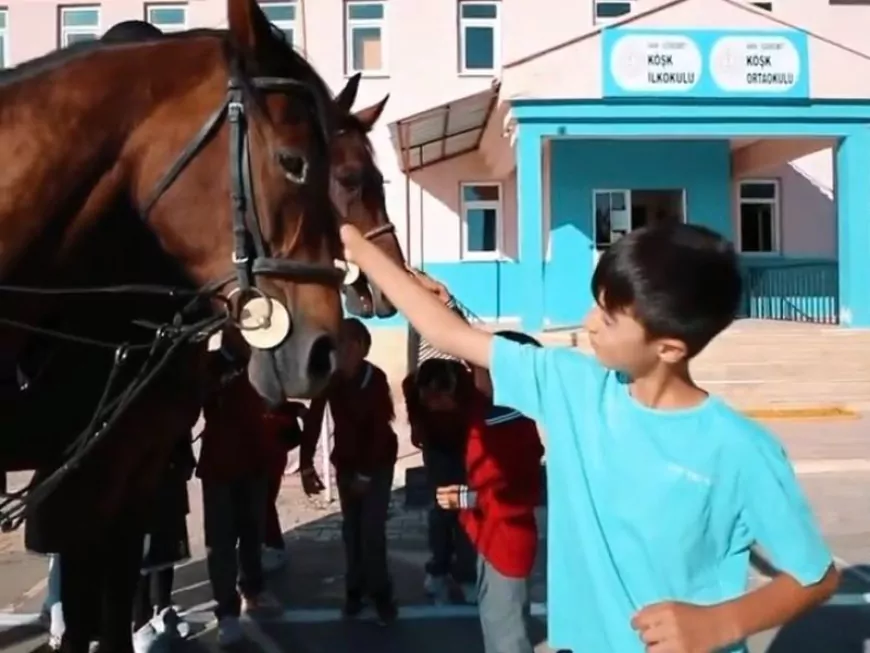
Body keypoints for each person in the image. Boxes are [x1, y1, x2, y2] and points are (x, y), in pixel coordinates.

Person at [339, 221, 839, 653]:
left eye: (608, 315)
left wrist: (721, 623)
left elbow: (816, 575)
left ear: (668, 348)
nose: (587, 323)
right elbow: (449, 335)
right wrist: (364, 251)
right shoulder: (572, 385)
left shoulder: (739, 449)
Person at [435, 330, 544, 653]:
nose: (472, 374)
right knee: (499, 622)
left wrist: (464, 498)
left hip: (506, 541)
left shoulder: (508, 424)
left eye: (480, 368)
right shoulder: (495, 410)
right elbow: (463, 342)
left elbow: (515, 490)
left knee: (505, 633)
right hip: (493, 536)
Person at [300, 318, 399, 625]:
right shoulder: (331, 379)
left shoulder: (376, 379)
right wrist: (306, 465)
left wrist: (366, 476)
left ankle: (381, 594)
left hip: (377, 464)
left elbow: (380, 432)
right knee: (351, 531)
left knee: (371, 530)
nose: (337, 350)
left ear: (359, 347)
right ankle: (354, 591)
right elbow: (314, 419)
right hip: (345, 464)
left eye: (343, 343)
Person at [197, 346, 281, 647]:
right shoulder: (212, 362)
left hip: (255, 460)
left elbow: (274, 396)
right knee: (220, 542)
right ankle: (227, 612)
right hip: (220, 463)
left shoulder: (264, 356)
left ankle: (254, 590)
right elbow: (198, 399)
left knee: (252, 531)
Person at [402, 359, 477, 604]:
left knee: (465, 511)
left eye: (438, 400)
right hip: (436, 448)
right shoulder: (412, 387)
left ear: (450, 393)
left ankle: (466, 575)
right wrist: (417, 426)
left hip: (467, 447)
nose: (432, 406)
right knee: (440, 510)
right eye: (428, 400)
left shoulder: (469, 389)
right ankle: (438, 568)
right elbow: (414, 409)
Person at [132, 432, 196, 653]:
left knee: (168, 546)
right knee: (140, 550)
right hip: (137, 472)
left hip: (169, 470)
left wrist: (184, 457)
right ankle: (139, 622)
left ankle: (162, 608)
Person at [260, 400, 307, 572]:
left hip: (269, 453)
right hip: (265, 451)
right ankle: (268, 544)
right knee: (262, 501)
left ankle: (273, 546)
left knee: (263, 500)